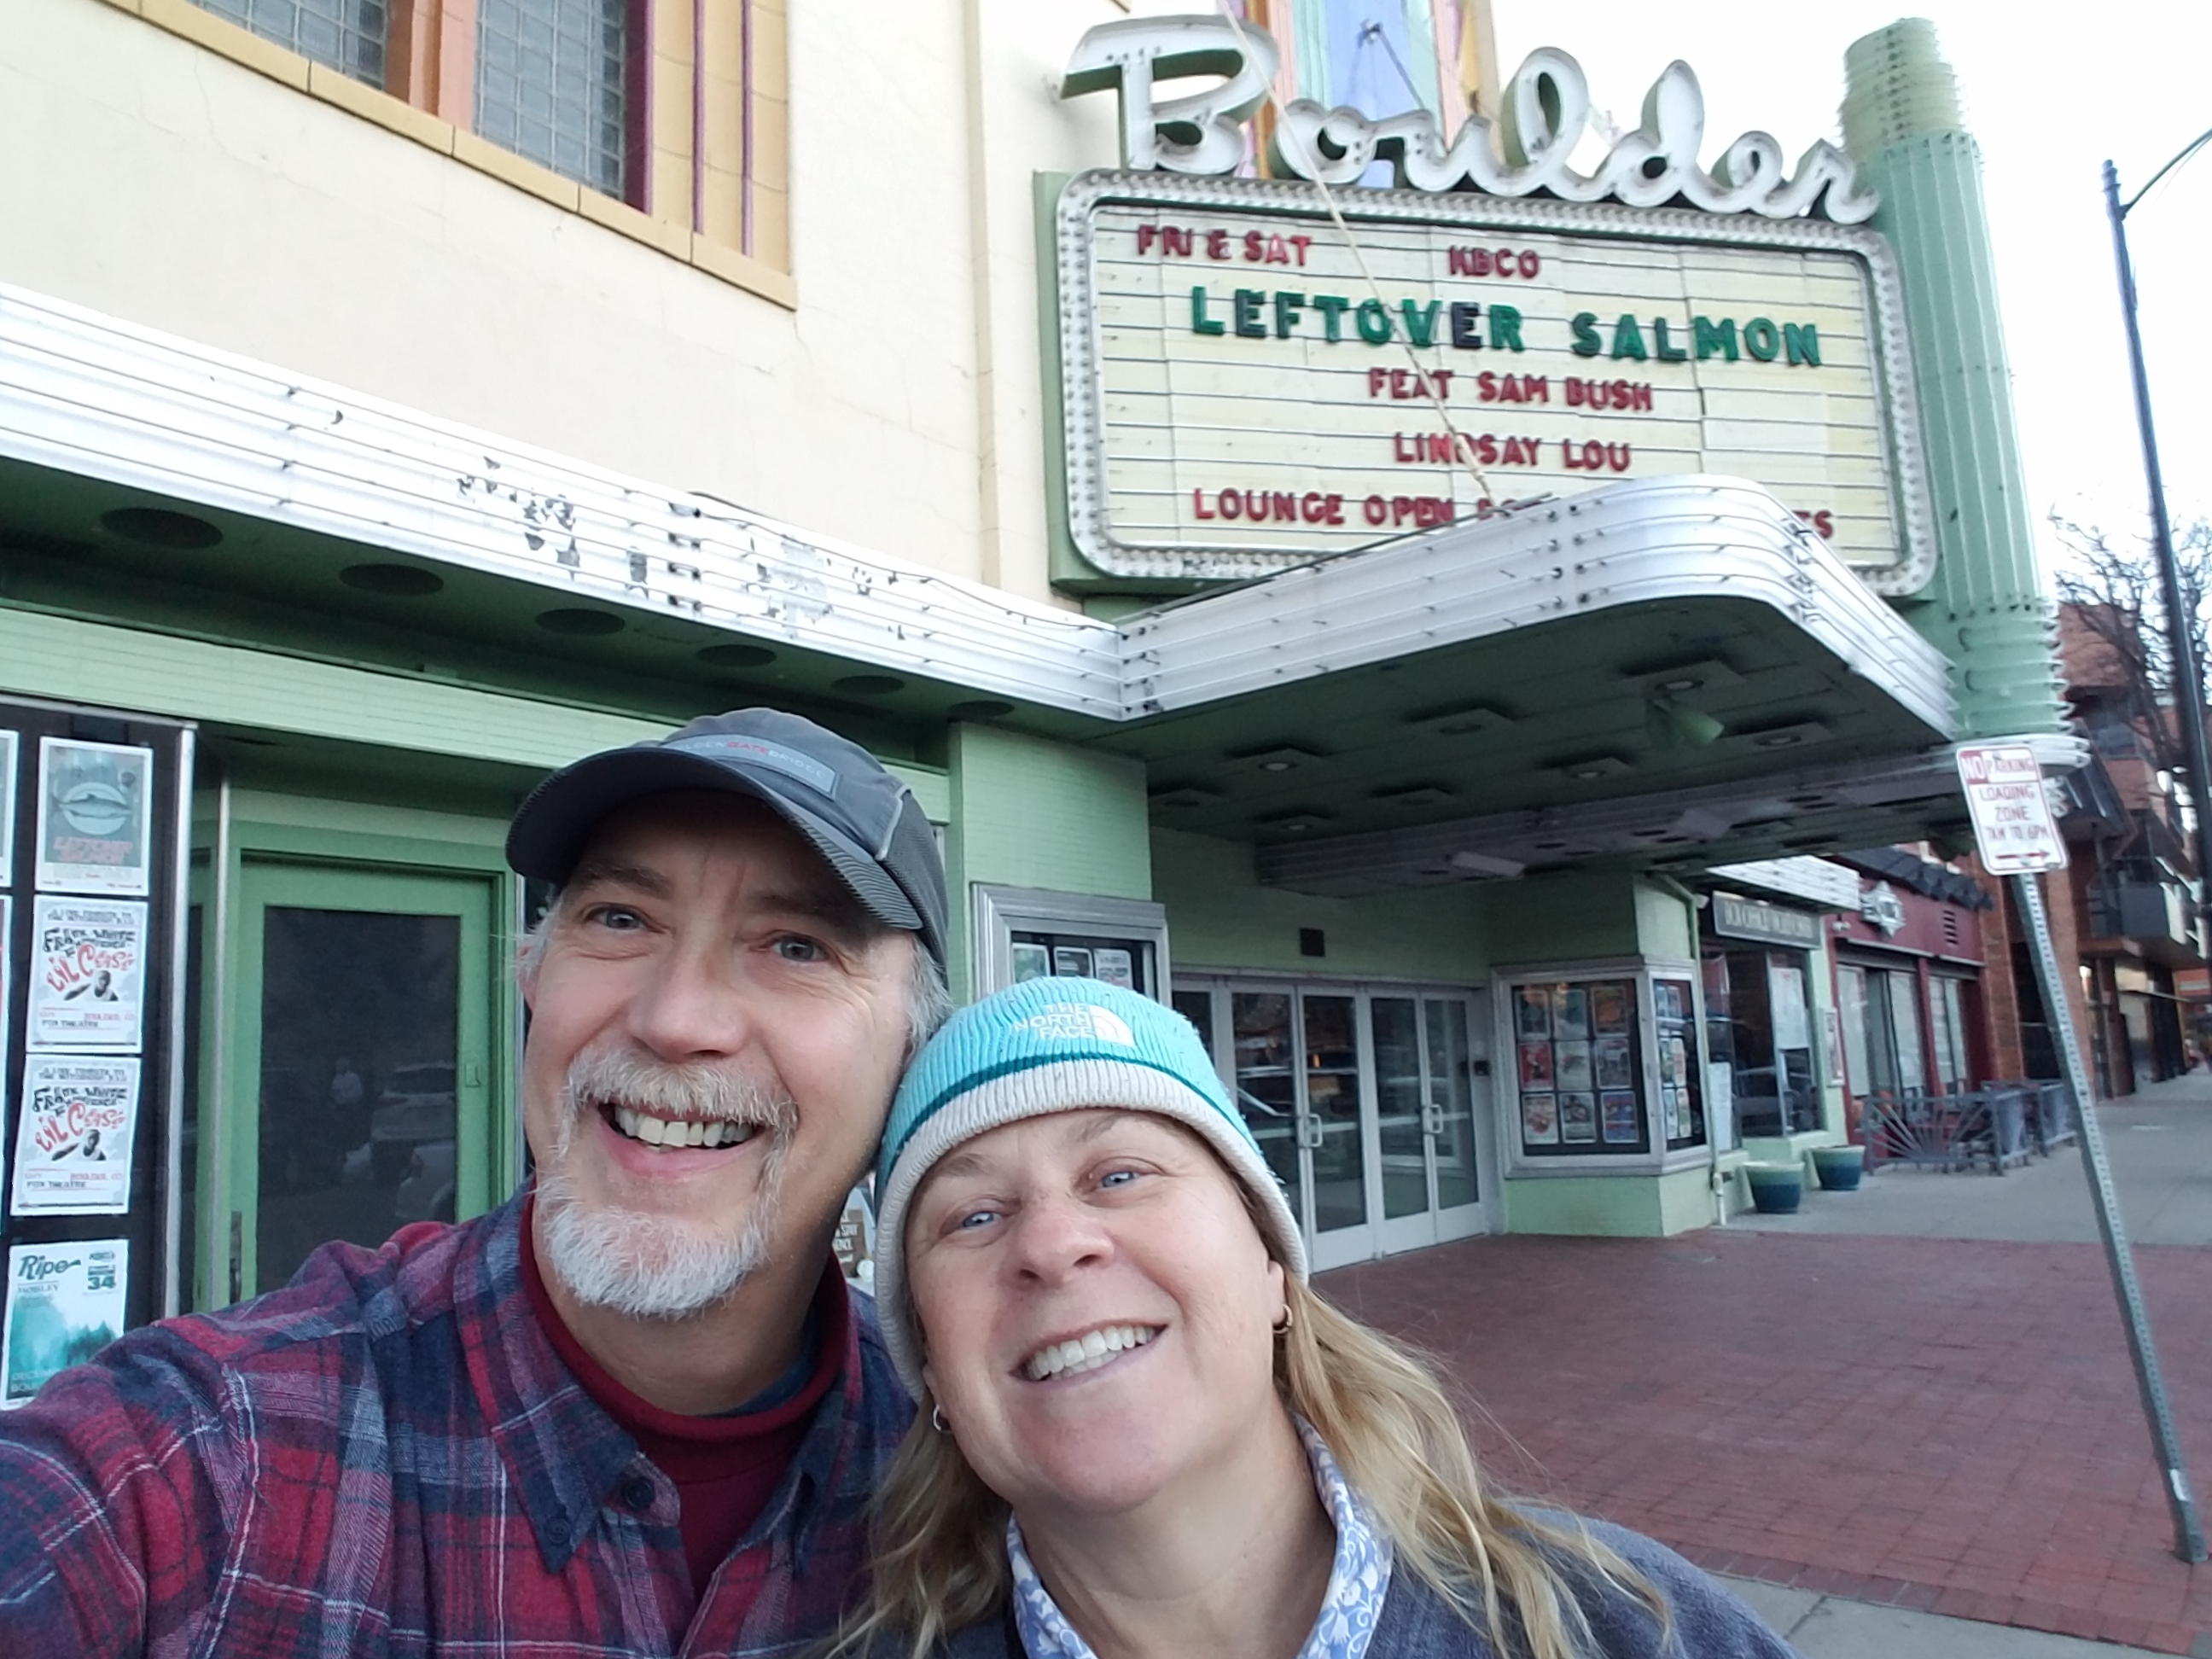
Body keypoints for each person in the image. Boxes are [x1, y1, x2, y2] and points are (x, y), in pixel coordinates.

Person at [0, 708, 951, 1656]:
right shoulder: (214, 1454)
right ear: (532, 979)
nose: (675, 1017)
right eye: (620, 919)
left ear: (911, 1056)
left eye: (796, 946)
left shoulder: (977, 1468)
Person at [844, 977, 1802, 1659]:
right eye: (973, 1216)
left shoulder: (1629, 1626)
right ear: (931, 1371)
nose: (1052, 1244)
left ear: (1272, 1271)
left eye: (1121, 1175)